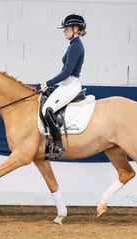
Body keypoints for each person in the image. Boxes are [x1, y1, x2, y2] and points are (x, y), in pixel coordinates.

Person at [40, 14, 86, 158]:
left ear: (76, 29)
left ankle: (57, 147)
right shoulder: (73, 45)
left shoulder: (76, 46)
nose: (64, 31)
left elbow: (66, 72)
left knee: (48, 109)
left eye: (66, 28)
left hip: (71, 83)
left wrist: (48, 83)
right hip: (67, 83)